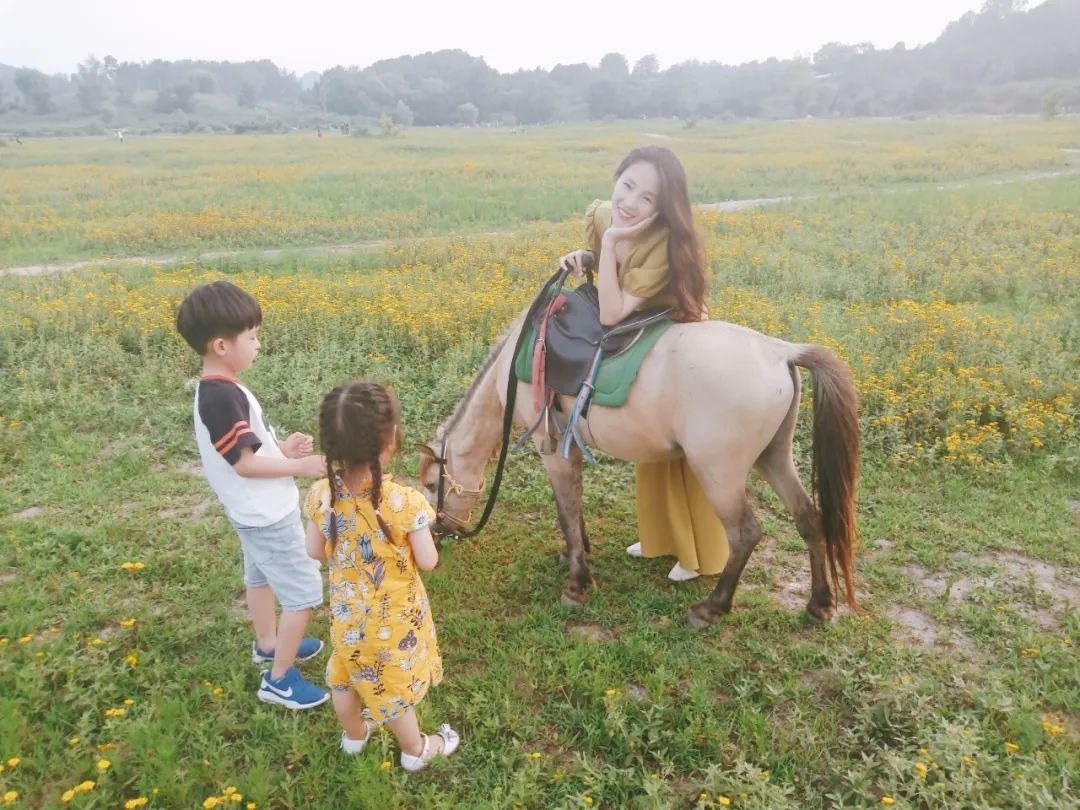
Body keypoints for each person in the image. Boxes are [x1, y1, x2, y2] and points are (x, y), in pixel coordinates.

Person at [559, 145, 728, 583]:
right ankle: (659, 537)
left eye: (647, 198)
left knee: (682, 451)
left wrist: (612, 243)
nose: (630, 203)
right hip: (640, 325)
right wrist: (589, 256)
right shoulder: (602, 214)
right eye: (627, 185)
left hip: (674, 326)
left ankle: (696, 552)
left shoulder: (664, 243)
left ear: (663, 207)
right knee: (649, 440)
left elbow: (611, 312)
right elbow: (612, 271)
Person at [176, 280, 329, 710]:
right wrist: (301, 466)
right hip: (267, 515)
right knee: (303, 594)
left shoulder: (223, 387)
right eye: (254, 337)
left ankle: (267, 643)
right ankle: (278, 680)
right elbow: (243, 465)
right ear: (222, 345)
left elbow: (246, 453)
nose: (259, 345)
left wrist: (282, 450)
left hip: (252, 512)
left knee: (259, 577)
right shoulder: (221, 397)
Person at [304, 381, 460, 771]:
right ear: (390, 441)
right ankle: (415, 749)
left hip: (347, 617)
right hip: (393, 623)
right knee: (391, 687)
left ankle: (355, 736)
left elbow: (314, 551)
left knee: (345, 677)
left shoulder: (322, 494)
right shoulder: (405, 502)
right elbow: (428, 561)